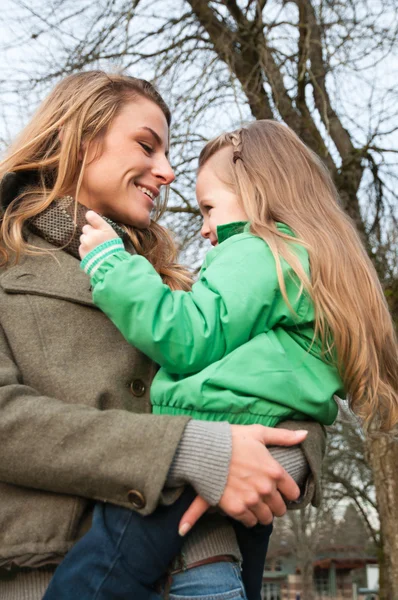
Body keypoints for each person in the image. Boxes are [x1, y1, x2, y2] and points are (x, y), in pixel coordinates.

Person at [0, 71, 326, 600]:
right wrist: (190, 450)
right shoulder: (6, 264)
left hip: (209, 565)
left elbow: (291, 376)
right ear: (81, 138)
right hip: (52, 573)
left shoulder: (187, 282)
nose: (168, 172)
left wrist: (285, 458)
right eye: (146, 146)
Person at [46, 121, 398, 599]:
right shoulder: (310, 262)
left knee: (90, 579)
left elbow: (185, 336)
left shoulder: (255, 250)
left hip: (208, 442)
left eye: (209, 208)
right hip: (258, 458)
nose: (207, 229)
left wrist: (112, 264)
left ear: (255, 193)